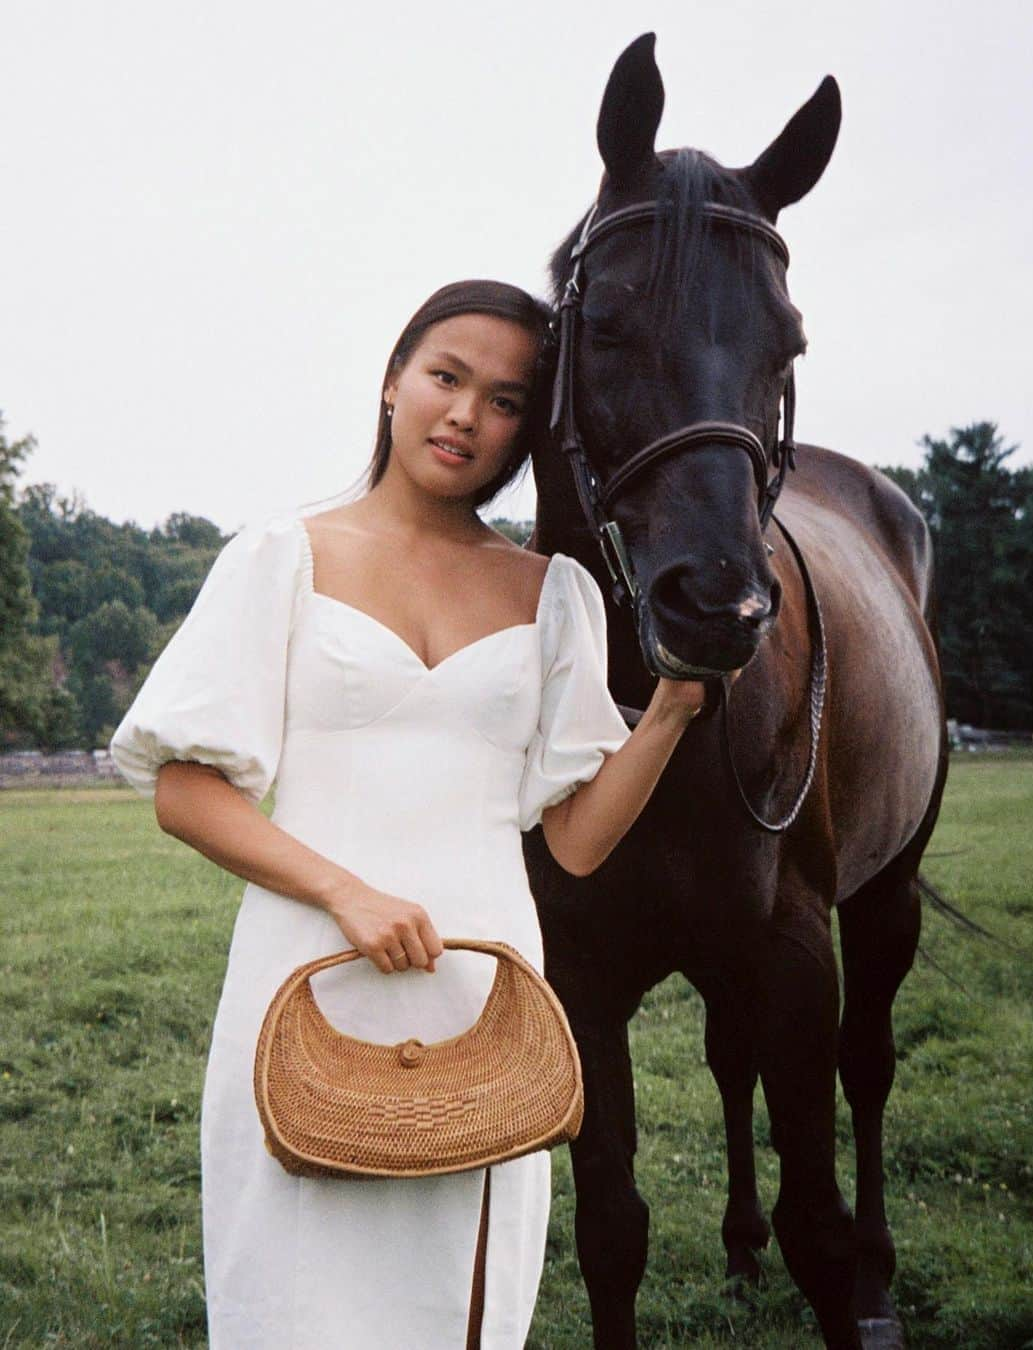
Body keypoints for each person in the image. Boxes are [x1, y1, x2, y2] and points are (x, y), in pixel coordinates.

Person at [109, 279, 704, 1349]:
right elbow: (184, 791)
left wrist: (668, 711)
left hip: (484, 984)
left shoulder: (552, 589)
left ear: (530, 431)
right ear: (392, 384)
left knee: (457, 1304)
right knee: (296, 1291)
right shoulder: (282, 556)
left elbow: (573, 839)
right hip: (308, 970)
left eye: (508, 400)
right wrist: (345, 891)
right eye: (446, 377)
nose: (468, 415)